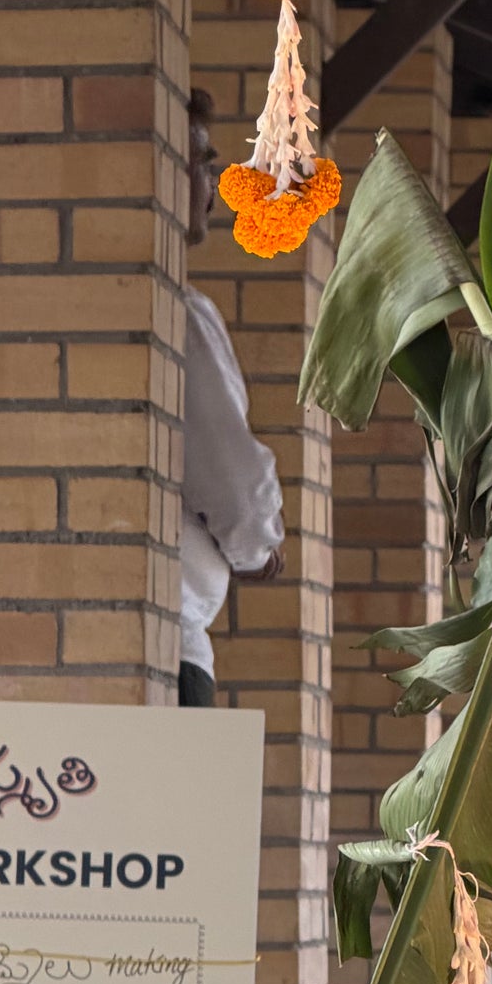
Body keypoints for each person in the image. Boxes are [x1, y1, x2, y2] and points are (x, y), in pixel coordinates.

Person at [178, 91, 284, 705]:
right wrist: (259, 549)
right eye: (201, 163)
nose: (212, 188)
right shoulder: (177, 316)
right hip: (168, 647)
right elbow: (234, 484)